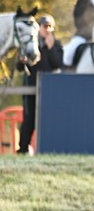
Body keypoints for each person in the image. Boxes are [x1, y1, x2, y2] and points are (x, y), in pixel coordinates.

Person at [16, 15, 64, 155]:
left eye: (49, 26)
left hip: (49, 89)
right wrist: (21, 61)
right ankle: (23, 148)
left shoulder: (56, 45)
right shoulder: (30, 43)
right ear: (39, 28)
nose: (47, 29)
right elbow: (19, 67)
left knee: (47, 119)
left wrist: (50, 48)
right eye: (44, 26)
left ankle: (46, 149)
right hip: (31, 86)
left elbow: (58, 64)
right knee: (29, 118)